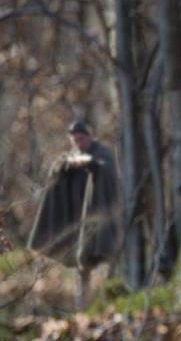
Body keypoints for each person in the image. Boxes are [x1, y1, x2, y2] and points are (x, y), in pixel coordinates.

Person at [28, 120, 122, 309]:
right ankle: (83, 307)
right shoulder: (71, 156)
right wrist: (66, 166)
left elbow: (106, 171)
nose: (78, 143)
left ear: (89, 136)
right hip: (76, 221)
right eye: (74, 140)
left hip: (96, 220)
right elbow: (56, 170)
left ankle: (107, 303)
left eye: (81, 139)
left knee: (105, 263)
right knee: (81, 267)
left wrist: (90, 164)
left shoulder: (102, 154)